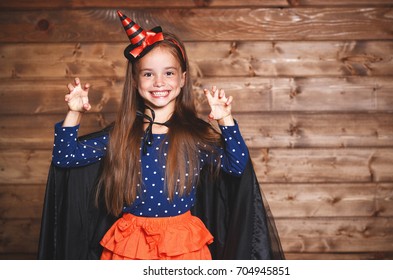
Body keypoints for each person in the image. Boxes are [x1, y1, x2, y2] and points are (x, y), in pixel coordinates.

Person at [38, 10, 284, 260]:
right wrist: (74, 113)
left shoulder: (195, 136)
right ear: (135, 80)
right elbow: (64, 157)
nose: (159, 82)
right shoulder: (120, 136)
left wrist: (225, 120)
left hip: (184, 246)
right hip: (129, 245)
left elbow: (237, 165)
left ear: (182, 79)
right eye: (148, 74)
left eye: (168, 73)